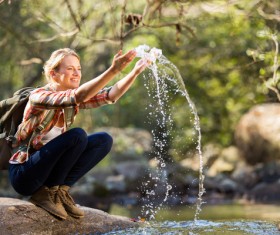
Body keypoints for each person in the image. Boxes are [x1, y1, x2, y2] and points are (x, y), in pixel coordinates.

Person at [8, 48, 149, 220]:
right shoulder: (39, 97)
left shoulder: (71, 103)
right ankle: (46, 194)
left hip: (47, 172)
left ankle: (60, 192)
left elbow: (109, 95)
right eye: (70, 69)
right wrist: (114, 70)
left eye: (79, 69)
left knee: (103, 140)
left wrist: (135, 71)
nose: (76, 73)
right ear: (53, 74)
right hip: (26, 175)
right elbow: (79, 96)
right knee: (77, 136)